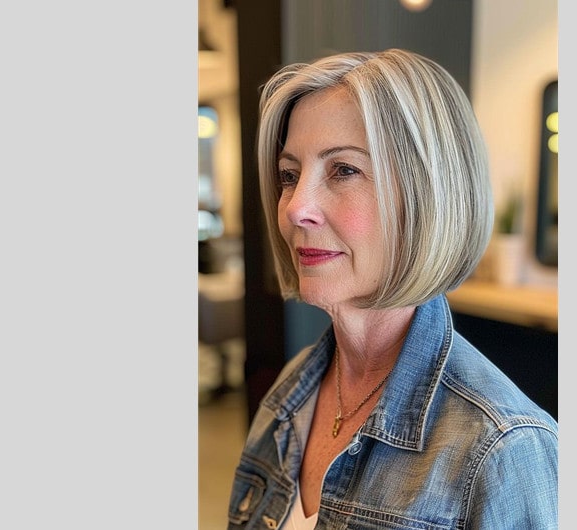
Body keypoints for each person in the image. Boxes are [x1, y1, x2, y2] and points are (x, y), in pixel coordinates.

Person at [227, 48, 558, 529]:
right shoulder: (293, 391)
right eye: (289, 176)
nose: (296, 207)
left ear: (426, 194)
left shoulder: (503, 449)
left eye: (343, 170)